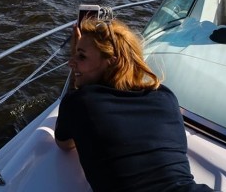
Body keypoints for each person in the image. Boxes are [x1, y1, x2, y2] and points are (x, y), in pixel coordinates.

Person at [54, 16, 214, 192]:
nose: (71, 62)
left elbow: (65, 143)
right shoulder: (165, 97)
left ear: (111, 61)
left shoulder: (80, 102)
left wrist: (78, 79)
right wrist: (81, 60)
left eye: (81, 56)